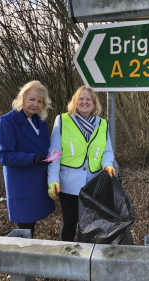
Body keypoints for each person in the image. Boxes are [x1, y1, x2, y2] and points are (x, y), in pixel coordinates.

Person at [47, 85, 115, 242]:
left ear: (94, 103)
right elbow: (54, 153)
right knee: (70, 222)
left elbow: (107, 151)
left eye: (88, 99)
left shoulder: (102, 124)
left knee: (92, 224)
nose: (85, 102)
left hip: (94, 184)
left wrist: (107, 164)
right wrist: (53, 179)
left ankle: (88, 258)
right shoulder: (63, 120)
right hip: (68, 183)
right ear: (75, 102)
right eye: (81, 99)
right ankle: (66, 256)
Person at [0, 80, 55, 238]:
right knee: (25, 227)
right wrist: (32, 158)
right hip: (22, 184)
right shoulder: (7, 121)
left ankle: (28, 254)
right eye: (32, 99)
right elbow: (3, 156)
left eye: (39, 101)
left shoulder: (40, 121)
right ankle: (21, 258)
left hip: (40, 181)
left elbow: (46, 148)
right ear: (22, 99)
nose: (35, 104)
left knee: (32, 226)